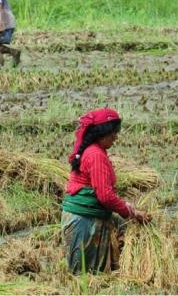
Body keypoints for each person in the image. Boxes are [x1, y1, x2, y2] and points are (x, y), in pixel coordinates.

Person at [61, 108, 152, 274]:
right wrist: (131, 211)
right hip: (84, 222)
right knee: (86, 276)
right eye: (113, 133)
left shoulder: (94, 151)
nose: (116, 137)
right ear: (102, 132)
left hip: (84, 217)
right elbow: (105, 196)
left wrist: (126, 207)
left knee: (91, 275)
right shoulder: (95, 155)